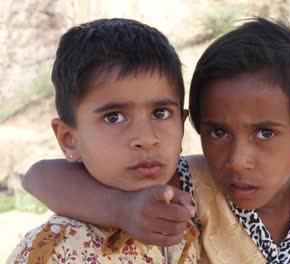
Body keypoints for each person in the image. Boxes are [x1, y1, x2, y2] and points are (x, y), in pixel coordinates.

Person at [21, 18, 290, 263]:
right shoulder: (194, 185)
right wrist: (121, 209)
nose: (237, 159)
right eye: (217, 132)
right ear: (195, 127)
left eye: (265, 132)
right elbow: (40, 176)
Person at [7, 18, 201, 264]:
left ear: (182, 127)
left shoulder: (192, 213)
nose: (146, 138)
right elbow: (36, 175)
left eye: (160, 113)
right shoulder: (55, 250)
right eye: (114, 117)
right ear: (69, 140)